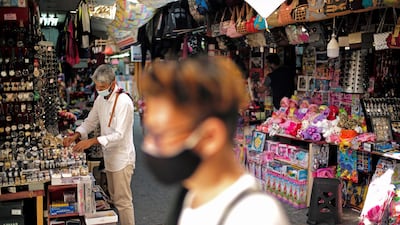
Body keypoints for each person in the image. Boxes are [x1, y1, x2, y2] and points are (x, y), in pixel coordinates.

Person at [141, 56, 290, 225]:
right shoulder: (193, 192)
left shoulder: (254, 216)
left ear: (210, 136)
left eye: (159, 134)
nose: (148, 145)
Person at [63, 64, 136, 225]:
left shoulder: (124, 102)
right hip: (110, 157)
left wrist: (92, 141)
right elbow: (90, 121)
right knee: (115, 199)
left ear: (113, 82)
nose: (99, 89)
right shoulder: (100, 99)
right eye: (97, 85)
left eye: (102, 86)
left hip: (122, 159)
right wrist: (76, 134)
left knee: (123, 202)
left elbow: (119, 135)